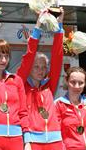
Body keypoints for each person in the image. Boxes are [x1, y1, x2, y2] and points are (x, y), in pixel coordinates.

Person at [17, 7, 65, 150]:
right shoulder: (20, 84)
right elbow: (29, 56)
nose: (41, 70)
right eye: (36, 67)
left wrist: (59, 26)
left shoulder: (49, 85)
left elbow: (57, 57)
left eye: (43, 67)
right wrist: (37, 27)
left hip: (55, 139)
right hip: (32, 141)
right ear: (29, 68)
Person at [0, 40, 31, 149]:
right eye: (0, 56)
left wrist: (27, 141)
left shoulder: (16, 80)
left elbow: (23, 112)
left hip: (16, 139)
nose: (3, 60)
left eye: (6, 56)